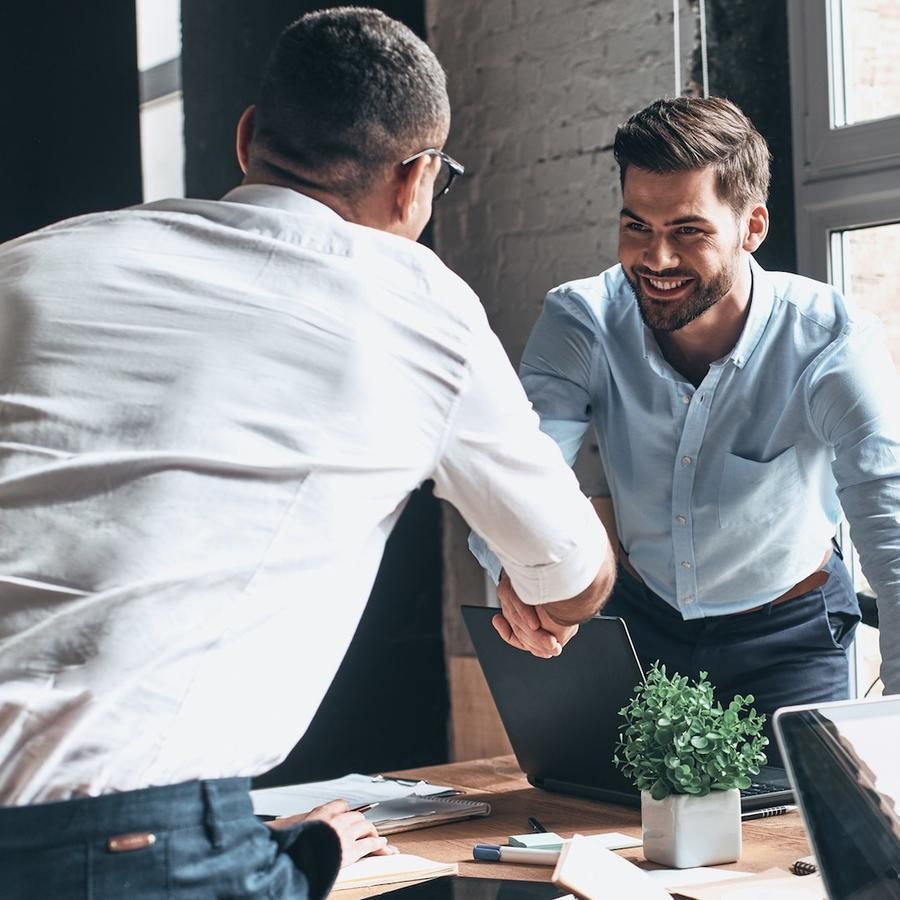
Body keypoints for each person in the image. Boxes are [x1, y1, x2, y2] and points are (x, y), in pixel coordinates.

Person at [0, 8, 615, 898]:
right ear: (415, 182)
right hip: (123, 847)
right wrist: (541, 586)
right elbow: (571, 578)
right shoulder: (413, 304)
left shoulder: (31, 267)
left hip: (145, 824)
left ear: (248, 135)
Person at [472, 96, 900, 760]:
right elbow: (515, 473)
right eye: (636, 226)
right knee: (605, 832)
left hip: (787, 637)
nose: (656, 258)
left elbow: (893, 546)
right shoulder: (581, 320)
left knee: (798, 843)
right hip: (641, 625)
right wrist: (510, 568)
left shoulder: (832, 344)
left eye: (688, 230)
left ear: (751, 226)